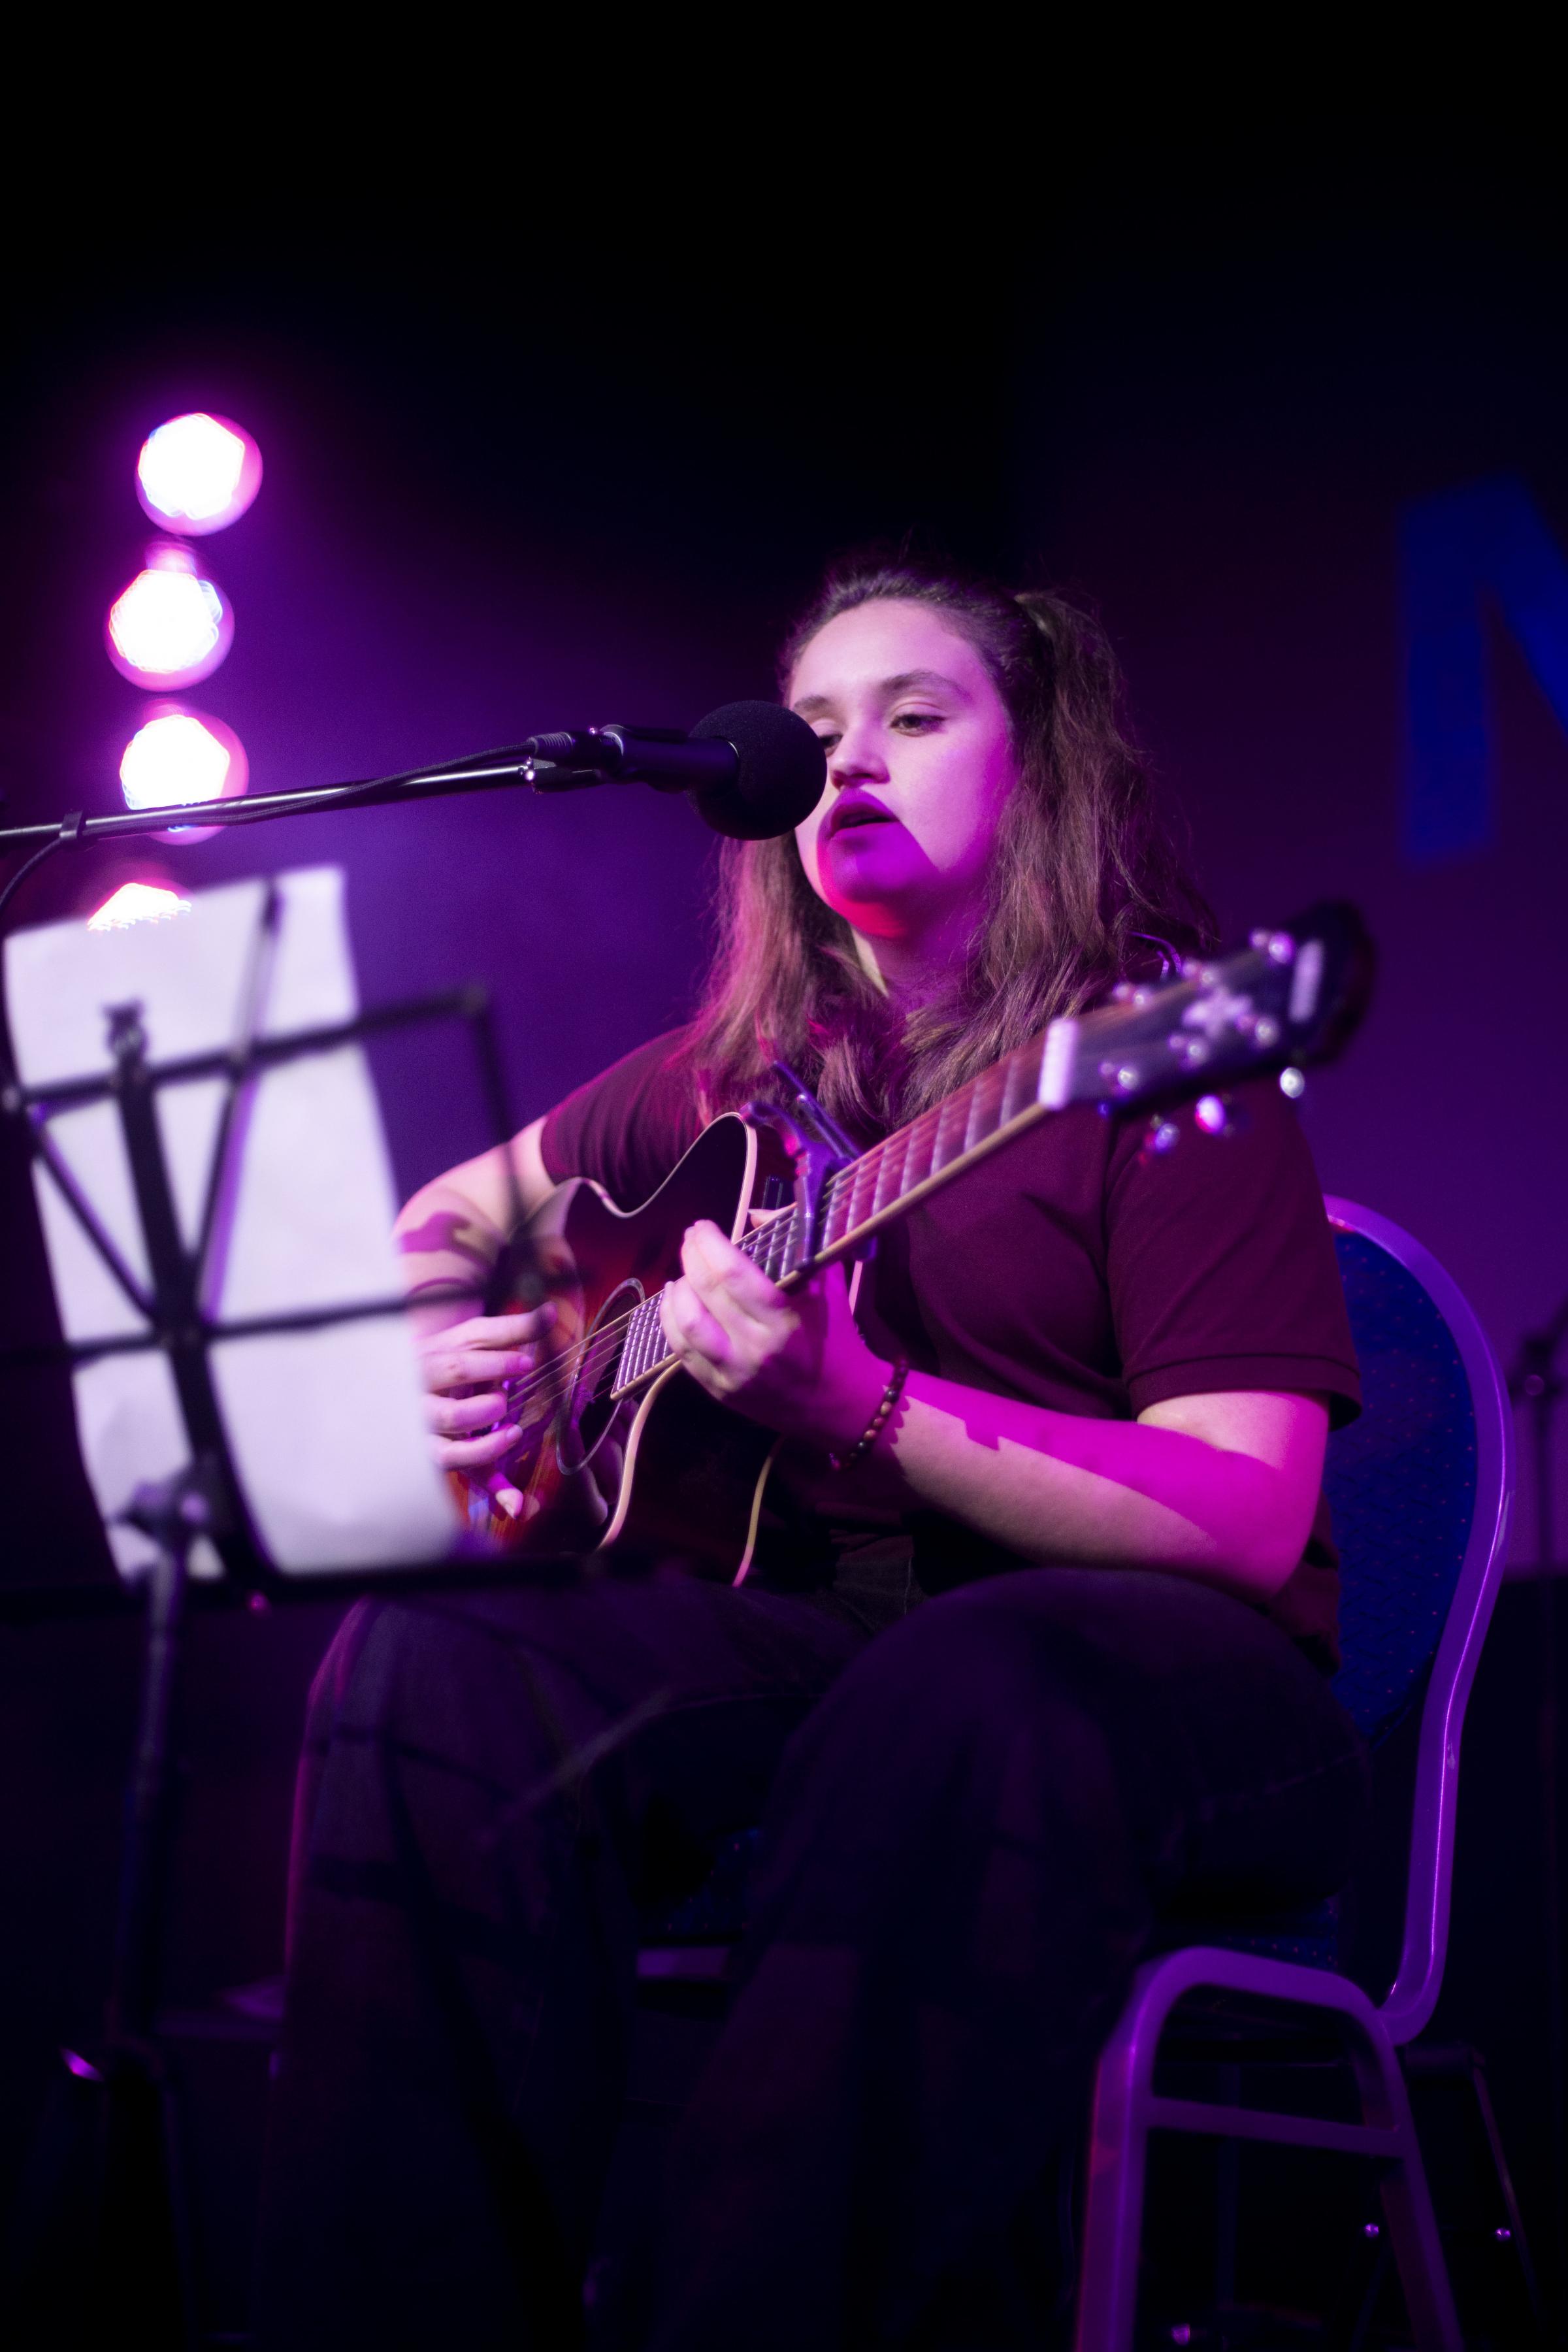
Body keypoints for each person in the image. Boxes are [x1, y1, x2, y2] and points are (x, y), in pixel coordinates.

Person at [255, 557, 1367, 2350]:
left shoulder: (1154, 1060)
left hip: (1160, 1687)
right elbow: (453, 1215)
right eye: (816, 729)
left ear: (1039, 771)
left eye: (915, 720)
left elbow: (1246, 1520)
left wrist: (863, 1410)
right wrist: (441, 1342)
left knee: (970, 1678)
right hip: (842, 1663)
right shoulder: (722, 1079)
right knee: (435, 1659)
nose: (845, 764)